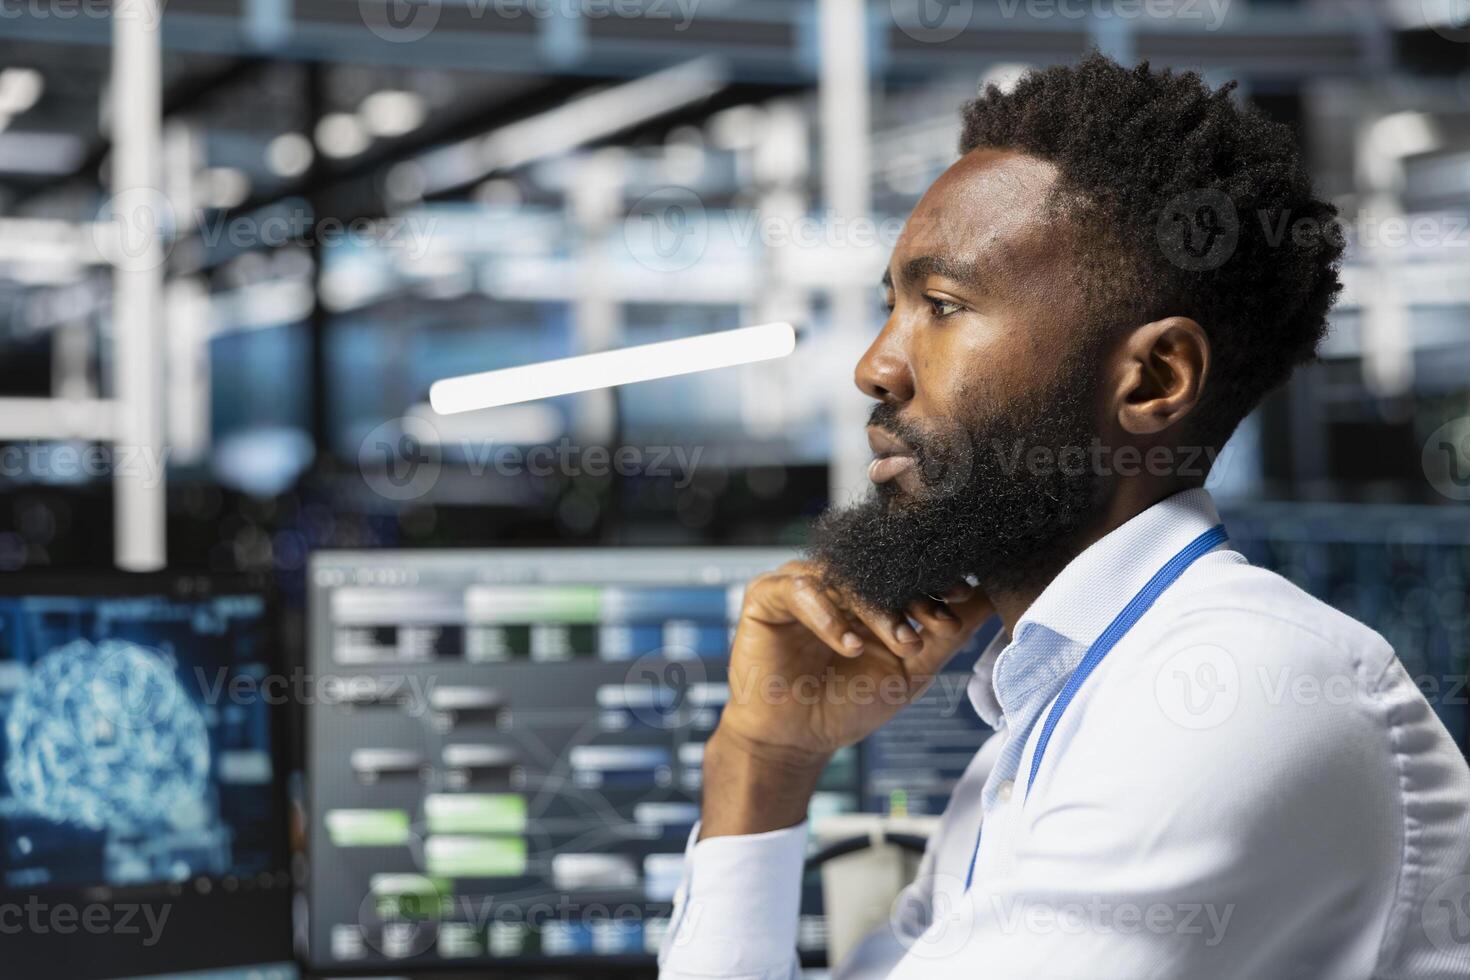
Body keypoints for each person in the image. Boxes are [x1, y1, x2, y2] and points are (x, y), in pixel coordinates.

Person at [657, 53, 1470, 979]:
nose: (877, 367)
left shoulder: (1233, 690)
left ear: (1156, 379)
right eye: (894, 306)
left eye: (944, 306)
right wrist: (762, 754)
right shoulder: (1044, 725)